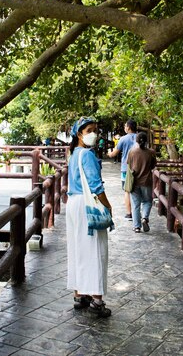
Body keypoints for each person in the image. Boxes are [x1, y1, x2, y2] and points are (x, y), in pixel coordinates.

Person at [66, 116, 113, 317]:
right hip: (88, 204)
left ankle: (80, 295)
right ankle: (97, 301)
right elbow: (95, 186)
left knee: (78, 249)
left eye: (96, 130)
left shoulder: (74, 153)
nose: (94, 134)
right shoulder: (87, 155)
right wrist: (108, 207)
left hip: (74, 204)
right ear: (79, 134)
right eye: (89, 130)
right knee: (95, 250)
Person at [107, 119, 137, 220]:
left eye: (125, 126)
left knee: (127, 191)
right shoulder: (140, 138)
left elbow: (114, 153)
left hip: (126, 168)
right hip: (139, 168)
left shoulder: (123, 139)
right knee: (137, 190)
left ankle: (129, 213)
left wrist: (109, 153)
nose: (124, 127)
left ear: (128, 127)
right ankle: (138, 214)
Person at [127, 132, 157, 233]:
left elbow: (129, 166)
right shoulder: (151, 152)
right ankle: (144, 218)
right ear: (146, 141)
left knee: (135, 204)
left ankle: (137, 227)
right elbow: (153, 166)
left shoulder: (132, 152)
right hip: (147, 181)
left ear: (136, 140)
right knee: (147, 201)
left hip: (134, 182)